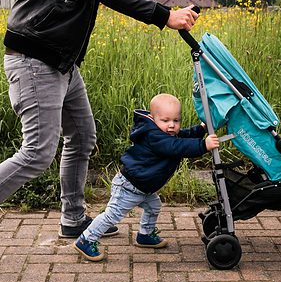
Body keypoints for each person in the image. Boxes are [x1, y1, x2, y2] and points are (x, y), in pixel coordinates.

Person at [0, 0, 199, 277]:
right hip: (35, 60)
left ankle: (73, 218)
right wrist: (164, 15)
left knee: (83, 136)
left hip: (62, 63)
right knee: (37, 152)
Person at [74, 94, 219, 261]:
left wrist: (201, 129)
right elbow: (176, 146)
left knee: (154, 206)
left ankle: (145, 235)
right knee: (112, 215)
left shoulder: (165, 133)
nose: (172, 125)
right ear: (152, 118)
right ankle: (86, 239)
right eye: (165, 121)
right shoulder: (153, 136)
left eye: (176, 121)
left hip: (144, 187)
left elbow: (182, 137)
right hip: (129, 186)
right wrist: (203, 145)